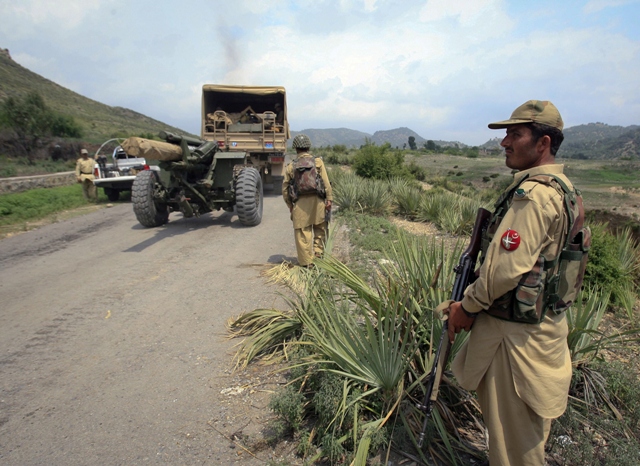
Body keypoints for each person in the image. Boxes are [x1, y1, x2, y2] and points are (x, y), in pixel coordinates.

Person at [446, 100, 575, 466]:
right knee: (523, 438)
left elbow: (503, 270)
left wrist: (465, 308)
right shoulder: (563, 189)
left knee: (513, 449)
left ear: (543, 143)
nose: (504, 142)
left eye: (515, 134)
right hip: (541, 332)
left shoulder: (533, 196)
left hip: (514, 341)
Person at [282, 134, 333, 267]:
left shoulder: (290, 166)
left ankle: (306, 263)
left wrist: (290, 205)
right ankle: (319, 256)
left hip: (300, 203)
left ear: (296, 148)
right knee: (320, 228)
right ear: (308, 147)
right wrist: (329, 199)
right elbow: (326, 183)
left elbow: (285, 189)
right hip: (318, 201)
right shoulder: (317, 162)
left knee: (302, 233)